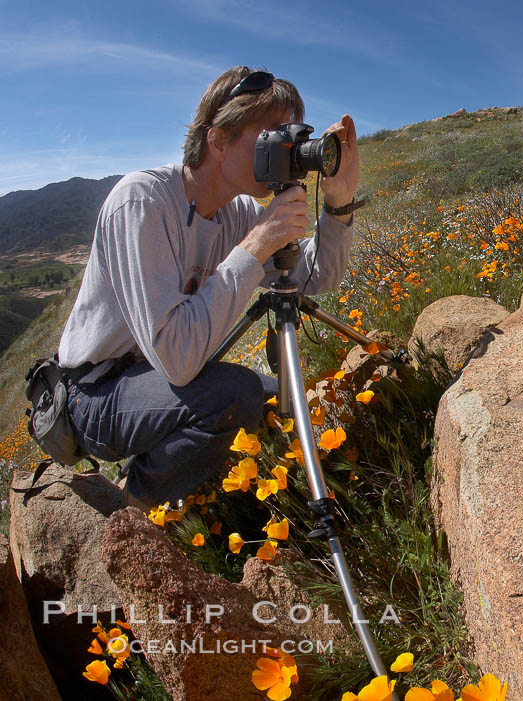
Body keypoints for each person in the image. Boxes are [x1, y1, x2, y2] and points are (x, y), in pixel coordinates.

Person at [56, 66, 360, 509]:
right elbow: (178, 360)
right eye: (270, 135)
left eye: (288, 135)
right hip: (95, 390)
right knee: (231, 397)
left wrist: (338, 203)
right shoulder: (141, 202)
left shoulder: (235, 212)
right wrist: (256, 246)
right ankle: (129, 510)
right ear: (218, 140)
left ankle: (230, 507)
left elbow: (316, 278)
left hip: (154, 376)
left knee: (277, 403)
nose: (286, 148)